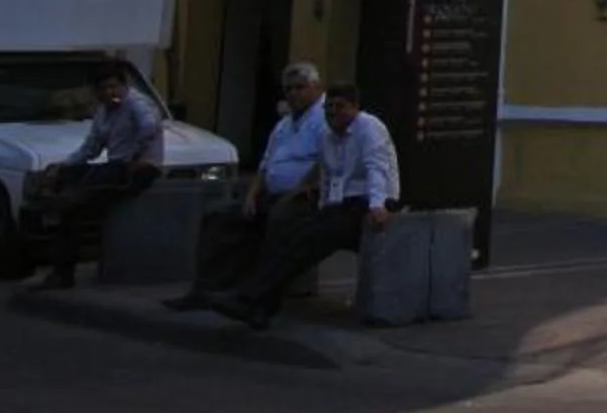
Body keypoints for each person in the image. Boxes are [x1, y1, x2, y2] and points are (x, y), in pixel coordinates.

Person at [209, 82, 396, 329]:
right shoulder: (326, 135)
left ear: (355, 107)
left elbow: (377, 168)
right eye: (329, 108)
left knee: (308, 239)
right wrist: (323, 203)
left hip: (368, 201)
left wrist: (377, 205)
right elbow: (329, 174)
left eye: (340, 107)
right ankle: (258, 303)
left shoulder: (369, 128)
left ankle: (251, 298)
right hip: (339, 203)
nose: (333, 113)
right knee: (289, 230)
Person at [168, 63, 326, 312]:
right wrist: (251, 195)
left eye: (300, 88)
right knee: (218, 217)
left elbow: (326, 164)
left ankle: (254, 299)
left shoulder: (325, 119)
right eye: (289, 89)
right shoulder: (284, 124)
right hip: (271, 193)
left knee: (278, 221)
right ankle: (206, 289)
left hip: (304, 197)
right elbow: (265, 165)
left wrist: (298, 191)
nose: (294, 94)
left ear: (316, 88)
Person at [25, 59, 165, 290]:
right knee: (69, 179)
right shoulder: (103, 113)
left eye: (114, 87)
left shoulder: (136, 104)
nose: (109, 93)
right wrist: (63, 165)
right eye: (104, 89)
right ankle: (52, 200)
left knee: (75, 205)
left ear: (123, 86)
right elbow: (90, 148)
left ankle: (62, 271)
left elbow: (149, 127)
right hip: (114, 167)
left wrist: (136, 156)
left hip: (137, 169)